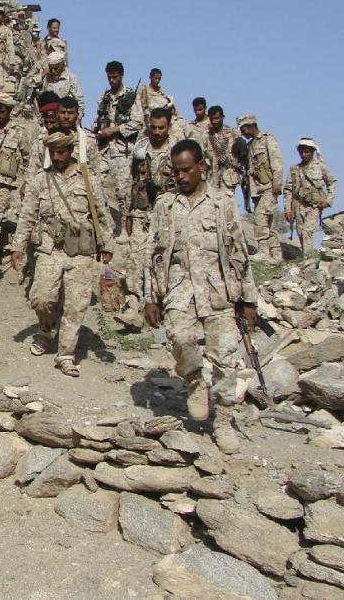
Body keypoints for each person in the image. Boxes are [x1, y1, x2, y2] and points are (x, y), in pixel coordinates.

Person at [143, 139, 258, 454]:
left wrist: (248, 299)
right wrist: (149, 297)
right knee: (179, 337)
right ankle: (194, 381)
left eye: (186, 170)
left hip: (219, 292)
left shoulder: (222, 203)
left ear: (202, 165)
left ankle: (223, 423)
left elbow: (239, 251)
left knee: (225, 361)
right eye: (176, 171)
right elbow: (152, 252)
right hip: (180, 290)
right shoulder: (165, 205)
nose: (180, 177)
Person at [11, 131, 112, 377]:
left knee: (76, 305)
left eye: (61, 152)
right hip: (49, 249)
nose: (57, 157)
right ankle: (46, 330)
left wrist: (107, 246)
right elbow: (27, 216)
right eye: (52, 153)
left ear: (70, 151)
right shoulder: (40, 180)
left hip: (80, 252)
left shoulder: (87, 179)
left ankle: (66, 354)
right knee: (42, 299)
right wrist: (18, 246)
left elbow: (102, 214)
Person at [117, 107, 179, 327]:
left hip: (166, 214)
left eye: (161, 128)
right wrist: (127, 213)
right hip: (141, 212)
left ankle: (159, 304)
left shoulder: (176, 150)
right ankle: (133, 306)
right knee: (135, 257)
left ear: (169, 126)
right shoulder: (140, 147)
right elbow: (130, 180)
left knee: (159, 260)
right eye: (153, 127)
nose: (157, 132)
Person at [94, 61, 144, 233]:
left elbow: (138, 123)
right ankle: (104, 224)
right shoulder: (105, 97)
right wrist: (98, 132)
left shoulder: (131, 96)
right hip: (103, 150)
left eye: (115, 77)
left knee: (122, 192)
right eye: (109, 77)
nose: (112, 80)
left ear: (121, 75)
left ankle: (124, 228)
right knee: (96, 183)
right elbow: (98, 119)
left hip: (123, 151)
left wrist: (114, 130)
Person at [0, 95, 30, 274]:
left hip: (3, 184)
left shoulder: (18, 131)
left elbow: (28, 158)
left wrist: (25, 181)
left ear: (9, 111)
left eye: (2, 111)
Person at [237, 115, 284, 263]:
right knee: (268, 221)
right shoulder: (250, 145)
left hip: (269, 187)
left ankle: (263, 250)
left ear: (251, 125)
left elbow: (277, 162)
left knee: (261, 217)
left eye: (243, 129)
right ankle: (276, 254)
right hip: (257, 189)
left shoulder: (267, 139)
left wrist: (277, 184)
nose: (242, 133)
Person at [284, 138, 337, 256]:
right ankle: (306, 257)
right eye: (301, 152)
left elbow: (332, 182)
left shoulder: (320, 166)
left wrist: (328, 201)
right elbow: (287, 190)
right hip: (298, 205)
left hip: (314, 205)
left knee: (307, 231)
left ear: (312, 151)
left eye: (306, 152)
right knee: (300, 232)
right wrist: (287, 209)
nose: (303, 155)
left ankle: (307, 258)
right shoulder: (294, 169)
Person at [203, 105, 242, 199]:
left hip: (228, 178)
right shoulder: (206, 135)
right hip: (211, 179)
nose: (214, 121)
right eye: (211, 119)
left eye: (217, 118)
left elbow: (241, 157)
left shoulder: (233, 133)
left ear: (222, 117)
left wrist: (229, 160)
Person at [41, 52, 84, 122]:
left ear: (63, 65)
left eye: (56, 68)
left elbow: (80, 101)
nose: (53, 71)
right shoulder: (46, 79)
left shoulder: (71, 79)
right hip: (50, 120)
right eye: (51, 68)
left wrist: (77, 119)